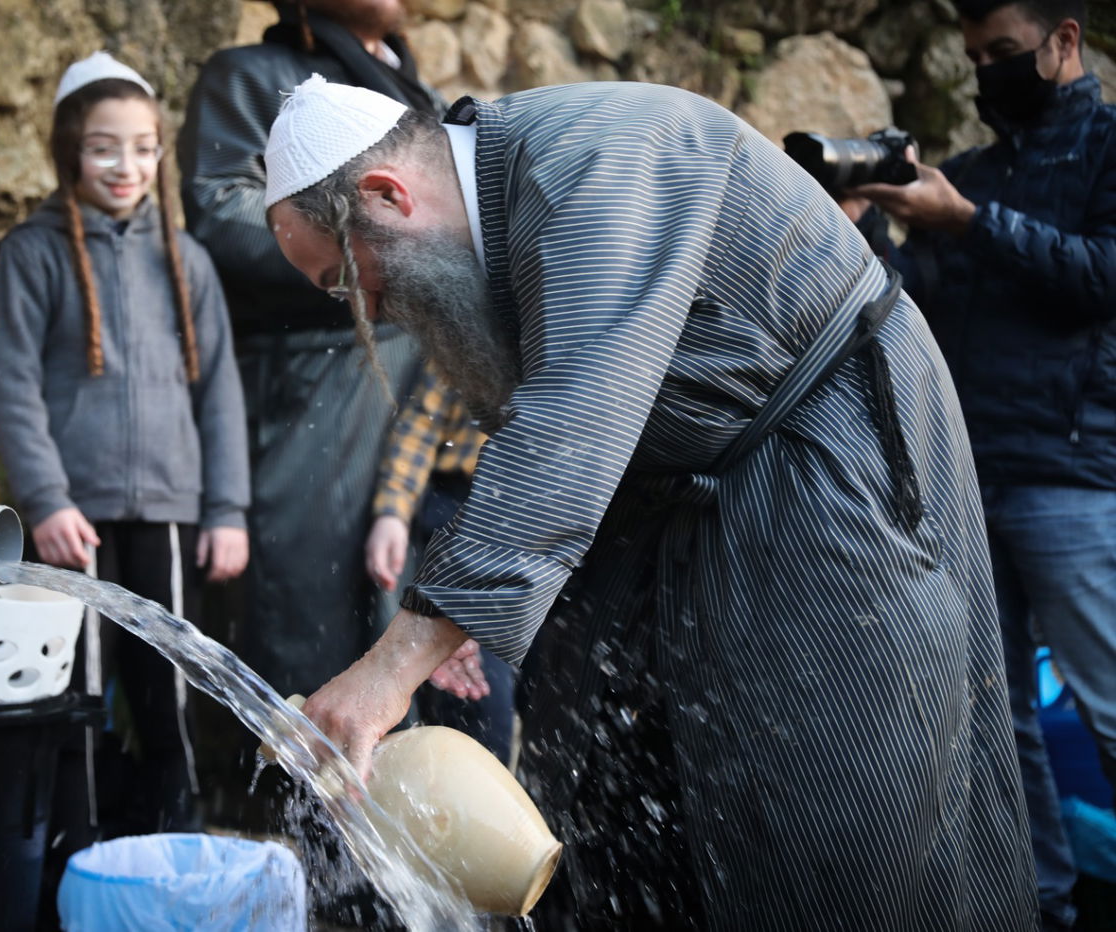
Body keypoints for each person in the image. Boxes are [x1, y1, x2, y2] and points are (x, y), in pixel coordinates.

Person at [262, 75, 1041, 929]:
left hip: (821, 471)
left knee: (831, 792)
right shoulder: (490, 221)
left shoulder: (588, 159)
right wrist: (452, 625)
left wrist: (393, 664)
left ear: (386, 194)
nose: (366, 308)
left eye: (346, 279)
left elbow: (574, 418)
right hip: (671, 502)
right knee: (599, 768)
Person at [844, 2, 1116, 927]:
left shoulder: (1108, 150)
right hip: (967, 474)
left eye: (1005, 53)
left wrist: (968, 221)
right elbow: (911, 302)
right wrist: (866, 222)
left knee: (1109, 705)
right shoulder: (973, 174)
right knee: (999, 719)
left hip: (1071, 476)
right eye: (975, 58)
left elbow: (1099, 276)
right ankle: (1044, 904)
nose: (987, 72)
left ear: (1065, 42)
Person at [0, 50, 249, 908]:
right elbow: (12, 389)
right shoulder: (34, 254)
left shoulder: (188, 262)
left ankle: (172, 877)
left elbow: (220, 396)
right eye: (105, 149)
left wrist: (227, 508)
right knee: (84, 705)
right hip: (75, 522)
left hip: (170, 515)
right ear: (70, 151)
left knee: (166, 699)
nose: (126, 167)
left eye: (142, 149)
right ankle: (76, 882)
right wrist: (48, 500)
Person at [176, 0, 440, 825]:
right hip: (302, 383)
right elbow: (219, 213)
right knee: (300, 597)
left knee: (396, 588)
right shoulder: (248, 76)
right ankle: (277, 825)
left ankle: (389, 830)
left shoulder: (405, 81)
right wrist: (354, 252)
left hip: (407, 381)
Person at [365, 358, 516, 763]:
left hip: (550, 518)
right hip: (458, 509)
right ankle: (458, 792)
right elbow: (418, 425)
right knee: (477, 697)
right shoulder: (463, 334)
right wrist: (393, 514)